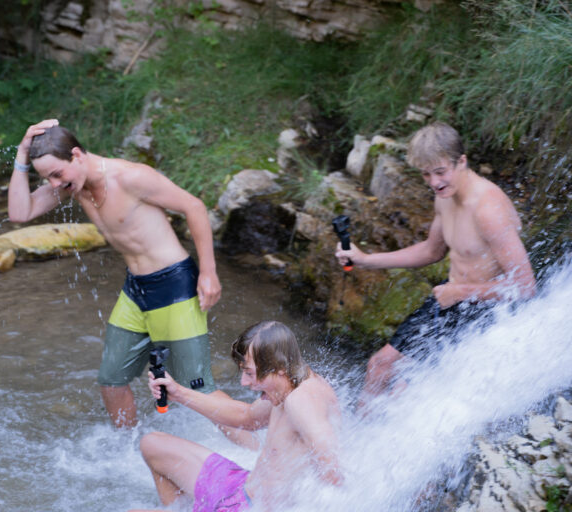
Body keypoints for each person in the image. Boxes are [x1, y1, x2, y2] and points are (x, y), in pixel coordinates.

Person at [8, 119, 222, 428]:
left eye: (57, 174)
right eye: (47, 178)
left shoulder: (131, 177)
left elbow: (194, 207)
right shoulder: (73, 186)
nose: (54, 184)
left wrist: (209, 273)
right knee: (112, 380)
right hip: (135, 289)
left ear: (78, 156)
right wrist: (22, 153)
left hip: (174, 285)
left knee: (198, 389)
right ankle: (132, 453)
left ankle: (256, 453)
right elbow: (19, 213)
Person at [335, 121, 536, 410]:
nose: (433, 182)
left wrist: (462, 292)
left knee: (404, 391)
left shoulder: (489, 210)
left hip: (485, 313)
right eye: (426, 174)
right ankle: (354, 441)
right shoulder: (445, 197)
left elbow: (525, 287)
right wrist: (365, 259)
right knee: (379, 365)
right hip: (449, 301)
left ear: (462, 161)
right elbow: (431, 251)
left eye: (440, 172)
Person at [132, 321, 342, 512]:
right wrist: (178, 393)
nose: (243, 382)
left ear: (278, 368)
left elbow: (332, 471)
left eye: (250, 373)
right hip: (242, 488)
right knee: (152, 444)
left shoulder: (302, 400)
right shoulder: (290, 383)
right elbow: (247, 417)